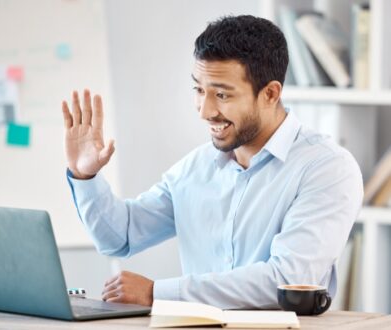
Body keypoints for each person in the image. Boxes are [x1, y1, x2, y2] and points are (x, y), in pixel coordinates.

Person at [62, 15, 363, 309]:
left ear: (270, 93)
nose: (205, 111)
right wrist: (84, 176)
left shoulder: (327, 168)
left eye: (221, 94)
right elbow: (121, 236)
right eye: (199, 90)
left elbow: (287, 280)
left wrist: (158, 293)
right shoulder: (195, 168)